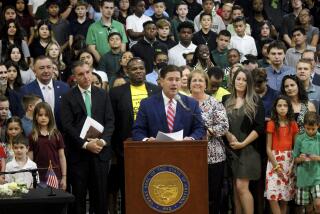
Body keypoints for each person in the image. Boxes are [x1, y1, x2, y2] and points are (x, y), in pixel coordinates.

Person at [61, 61, 114, 214]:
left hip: (100, 153)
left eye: (88, 72)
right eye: (81, 74)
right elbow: (67, 126)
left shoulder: (103, 94)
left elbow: (110, 121)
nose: (86, 76)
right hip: (78, 155)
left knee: (100, 199)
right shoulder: (68, 97)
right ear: (74, 78)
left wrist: (102, 141)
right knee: (78, 199)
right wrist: (85, 144)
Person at [109, 57, 160, 213]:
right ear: (127, 71)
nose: (138, 71)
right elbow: (112, 122)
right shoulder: (116, 93)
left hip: (152, 148)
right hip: (126, 150)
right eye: (134, 69)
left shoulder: (156, 90)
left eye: (141, 68)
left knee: (153, 187)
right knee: (129, 189)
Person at [222, 68, 265, 214]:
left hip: (249, 149)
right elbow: (221, 123)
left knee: (241, 187)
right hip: (230, 149)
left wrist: (243, 143)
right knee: (235, 188)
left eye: (245, 80)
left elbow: (259, 127)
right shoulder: (225, 99)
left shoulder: (255, 100)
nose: (241, 82)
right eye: (238, 79)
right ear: (233, 80)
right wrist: (227, 134)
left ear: (249, 83)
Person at [189, 69, 229, 213]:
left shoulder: (215, 103)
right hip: (189, 157)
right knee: (193, 194)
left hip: (214, 157)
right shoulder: (183, 103)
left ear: (206, 84)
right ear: (189, 84)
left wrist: (205, 132)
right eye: (194, 80)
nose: (197, 83)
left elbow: (224, 126)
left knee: (213, 196)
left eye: (201, 80)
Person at [132, 64, 205, 141]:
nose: (174, 83)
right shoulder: (147, 104)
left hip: (184, 150)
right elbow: (137, 131)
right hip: (156, 150)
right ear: (161, 81)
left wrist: (191, 138)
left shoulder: (191, 104)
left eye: (177, 80)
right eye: (170, 79)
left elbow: (200, 128)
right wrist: (147, 140)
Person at [265, 95, 298, 214]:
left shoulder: (293, 124)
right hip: (274, 161)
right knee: (272, 196)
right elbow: (268, 148)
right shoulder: (271, 123)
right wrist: (276, 166)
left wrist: (292, 165)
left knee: (285, 197)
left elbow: (296, 147)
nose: (282, 108)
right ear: (275, 108)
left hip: (289, 161)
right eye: (279, 105)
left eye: (285, 105)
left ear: (289, 108)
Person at [20, 56, 69, 130]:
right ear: (34, 71)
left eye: (49, 67)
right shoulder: (26, 90)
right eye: (42, 68)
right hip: (36, 135)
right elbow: (24, 115)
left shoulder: (64, 87)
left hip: (62, 135)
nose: (46, 71)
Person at [28, 102, 66, 189]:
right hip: (39, 177)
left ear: (51, 117)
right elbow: (30, 159)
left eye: (46, 115)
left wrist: (64, 177)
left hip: (56, 175)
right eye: (40, 115)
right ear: (35, 117)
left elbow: (62, 157)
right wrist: (30, 178)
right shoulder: (32, 135)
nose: (43, 118)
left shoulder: (56, 134)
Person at [293, 111, 320, 213]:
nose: (310, 131)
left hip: (317, 176)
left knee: (318, 204)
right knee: (307, 207)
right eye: (308, 129)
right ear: (304, 126)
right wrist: (301, 159)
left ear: (318, 126)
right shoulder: (300, 139)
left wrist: (317, 158)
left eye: (313, 129)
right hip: (303, 177)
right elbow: (295, 159)